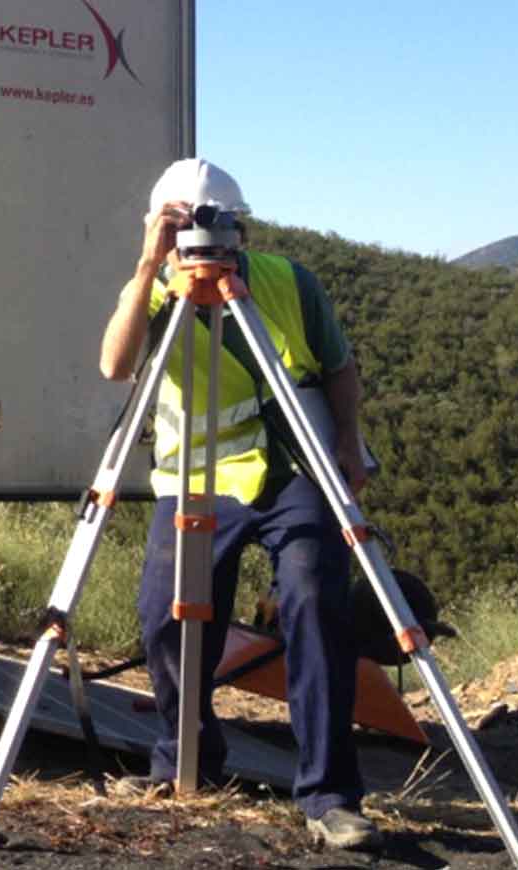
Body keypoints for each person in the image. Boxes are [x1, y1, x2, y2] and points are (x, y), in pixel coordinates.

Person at [98, 158, 381, 851]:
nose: (200, 236)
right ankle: (186, 763)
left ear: (240, 228)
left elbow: (339, 367)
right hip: (194, 477)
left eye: (213, 222)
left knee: (313, 599)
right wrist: (148, 267)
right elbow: (114, 365)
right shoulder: (155, 291)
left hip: (290, 468)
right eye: (181, 223)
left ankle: (329, 796)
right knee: (166, 615)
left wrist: (349, 442)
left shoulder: (288, 283)